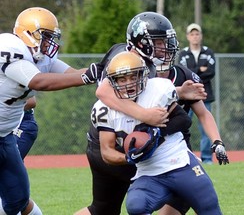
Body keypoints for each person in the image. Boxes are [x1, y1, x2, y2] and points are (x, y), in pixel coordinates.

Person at [75, 12, 208, 215]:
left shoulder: (147, 64)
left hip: (121, 139)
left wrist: (179, 92)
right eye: (159, 42)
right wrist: (146, 116)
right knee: (176, 188)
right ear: (141, 42)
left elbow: (153, 101)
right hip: (111, 138)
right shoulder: (123, 57)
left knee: (104, 209)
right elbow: (103, 91)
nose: (164, 47)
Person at [96, 51, 224, 215]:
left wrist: (155, 133)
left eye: (133, 77)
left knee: (209, 206)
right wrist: (130, 157)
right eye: (122, 79)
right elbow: (106, 152)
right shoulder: (102, 108)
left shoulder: (158, 89)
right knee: (136, 205)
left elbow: (183, 119)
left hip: (180, 163)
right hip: (149, 173)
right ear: (113, 82)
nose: (128, 83)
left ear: (143, 76)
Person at [0, 7, 99, 215]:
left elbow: (74, 74)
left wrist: (103, 69)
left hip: (5, 136)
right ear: (27, 33)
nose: (49, 42)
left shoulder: (42, 58)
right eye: (45, 36)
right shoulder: (11, 48)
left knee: (18, 198)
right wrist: (87, 76)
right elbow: (40, 82)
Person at [176, 23, 216, 164]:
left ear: (201, 36)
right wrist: (200, 70)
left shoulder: (208, 53)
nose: (195, 36)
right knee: (182, 125)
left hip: (205, 95)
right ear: (188, 36)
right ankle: (185, 155)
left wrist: (193, 72)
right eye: (192, 34)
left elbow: (210, 72)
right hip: (187, 97)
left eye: (197, 34)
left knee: (206, 127)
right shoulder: (183, 53)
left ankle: (206, 158)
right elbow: (184, 72)